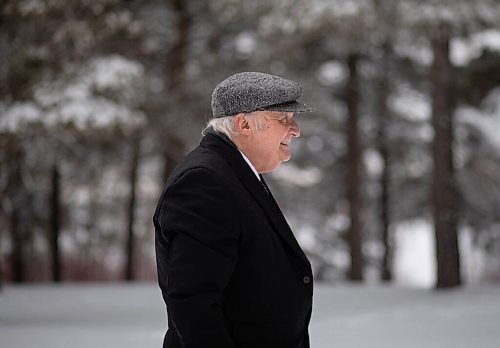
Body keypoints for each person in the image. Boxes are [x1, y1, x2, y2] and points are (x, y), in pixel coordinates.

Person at [153, 72, 315, 348]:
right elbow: (194, 303)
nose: (296, 129)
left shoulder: (234, 173)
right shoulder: (204, 183)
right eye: (284, 119)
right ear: (244, 124)